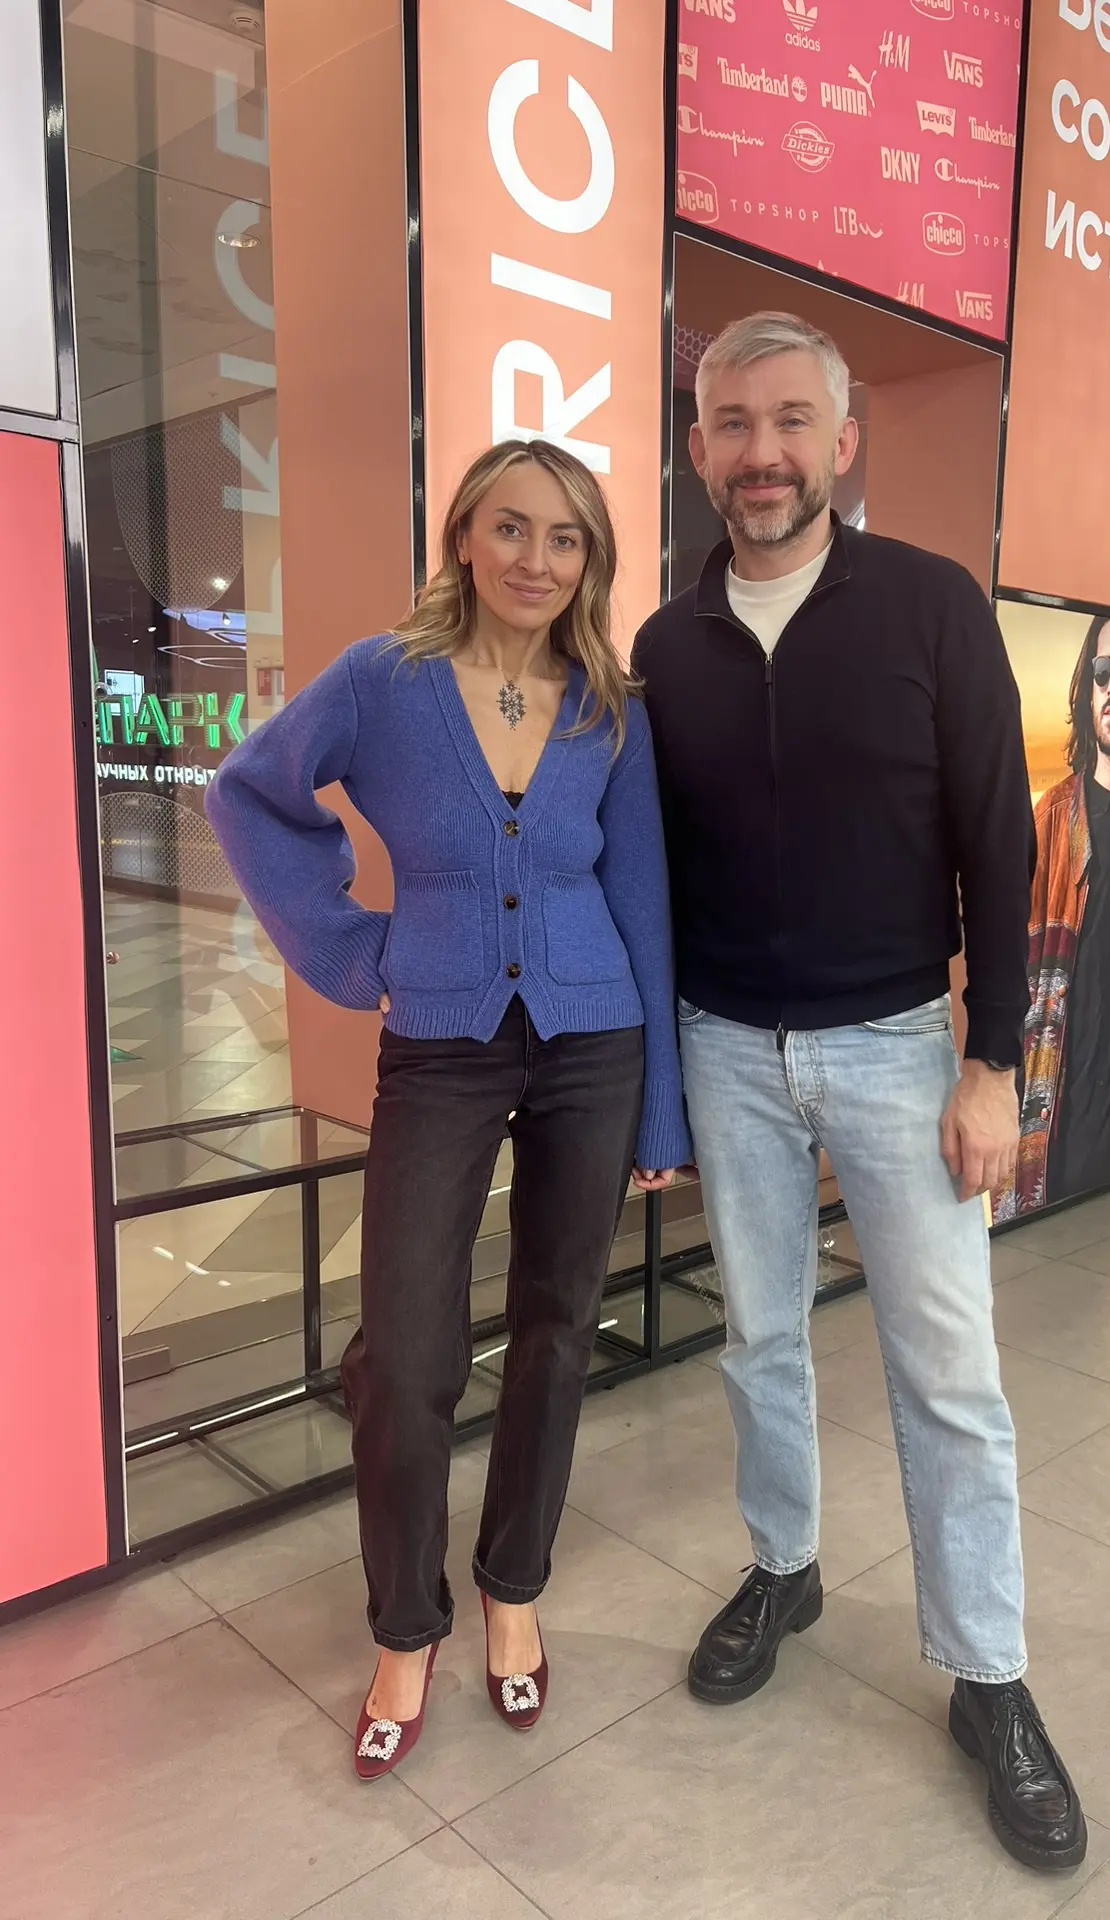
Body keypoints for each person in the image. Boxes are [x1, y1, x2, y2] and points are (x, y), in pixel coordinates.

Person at [633, 312, 1087, 1873]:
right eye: (731, 424)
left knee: (948, 1373)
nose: (761, 453)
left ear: (842, 440)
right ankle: (786, 1565)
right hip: (724, 1046)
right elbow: (652, 878)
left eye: (790, 422)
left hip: (901, 1045)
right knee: (759, 1337)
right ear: (700, 450)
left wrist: (993, 1062)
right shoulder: (667, 647)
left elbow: (998, 836)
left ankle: (989, 1673)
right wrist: (656, 1085)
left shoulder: (930, 604)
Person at [206, 440, 689, 1779]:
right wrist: (354, 947)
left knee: (557, 1326)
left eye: (567, 538)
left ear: (591, 561)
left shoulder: (610, 707)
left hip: (595, 1038)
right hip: (440, 1044)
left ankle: (512, 1589)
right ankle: (405, 1625)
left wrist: (661, 1114)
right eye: (513, 528)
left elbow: (643, 898)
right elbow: (249, 794)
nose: (538, 560)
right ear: (464, 536)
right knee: (407, 1350)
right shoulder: (385, 680)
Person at [999, 616, 1110, 1218]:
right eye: (1102, 672)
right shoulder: (1049, 819)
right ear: (1088, 689)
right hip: (1055, 1102)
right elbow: (1007, 956)